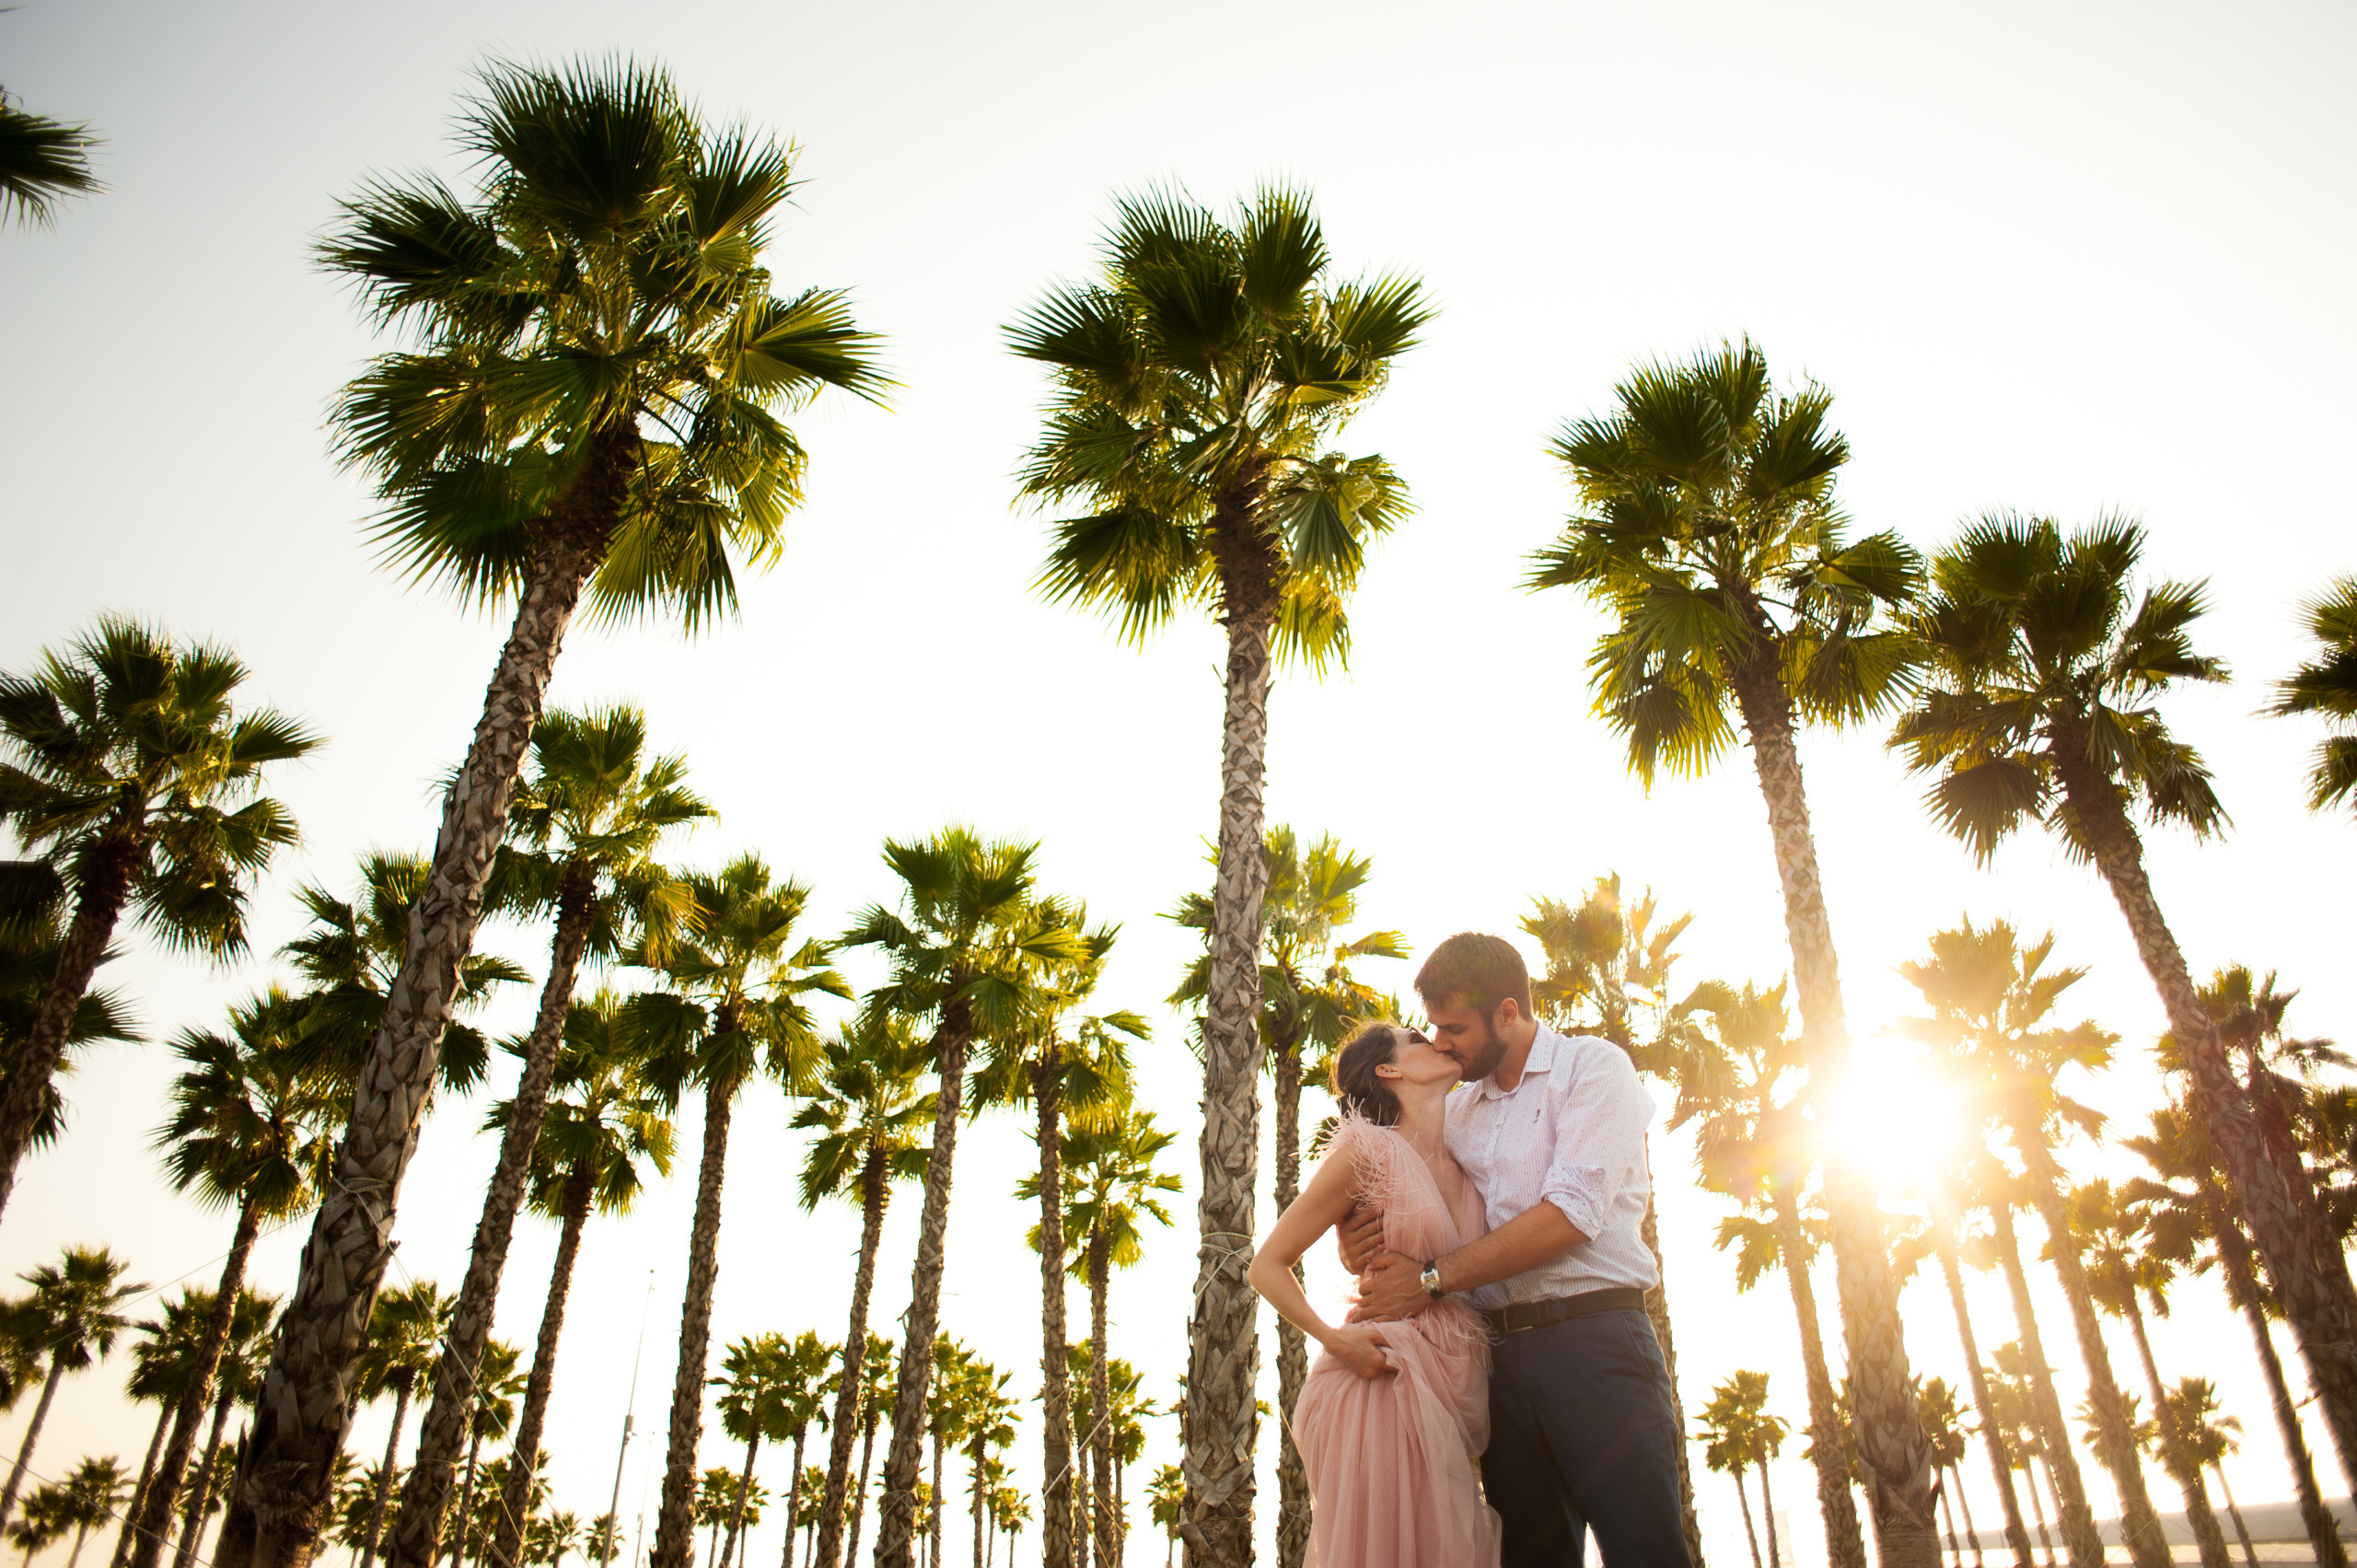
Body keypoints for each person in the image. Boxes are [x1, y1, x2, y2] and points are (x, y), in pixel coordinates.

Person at [1343, 931, 1693, 1568]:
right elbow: (1401, 1189)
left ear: (1508, 1012)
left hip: (1596, 1345)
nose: (1440, 1042)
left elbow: (1570, 1216)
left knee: (1644, 1553)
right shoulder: (1456, 1112)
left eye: (1454, 1028)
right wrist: (1356, 1236)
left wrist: (1429, 1278)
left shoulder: (1593, 1068)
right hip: (1497, 1363)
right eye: (1433, 1027)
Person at [1248, 1020, 1503, 1568]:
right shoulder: (1368, 1152)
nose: (1436, 1041)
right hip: (1378, 1376)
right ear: (1388, 1070)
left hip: (1448, 1380)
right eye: (1417, 1040)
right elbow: (1266, 1266)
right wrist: (1336, 1343)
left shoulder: (1471, 1160)